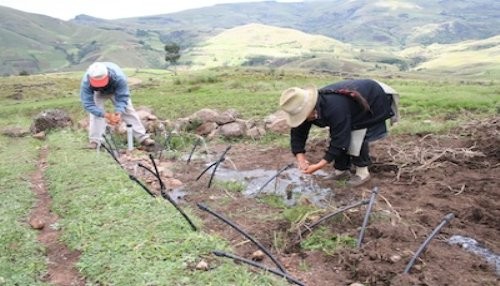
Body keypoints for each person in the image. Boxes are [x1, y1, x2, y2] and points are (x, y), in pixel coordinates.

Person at [279, 79, 399, 187]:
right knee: (341, 133)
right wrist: (300, 158)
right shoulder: (307, 110)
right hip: (350, 104)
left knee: (357, 136)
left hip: (373, 98)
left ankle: (362, 173)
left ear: (310, 108)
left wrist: (319, 165)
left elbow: (340, 140)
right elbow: (298, 133)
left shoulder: (334, 107)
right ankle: (341, 171)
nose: (302, 118)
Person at [80, 62, 155, 149]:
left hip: (115, 90)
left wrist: (118, 112)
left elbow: (123, 97)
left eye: (102, 82)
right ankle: (95, 141)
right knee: (95, 114)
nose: (100, 85)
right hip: (97, 93)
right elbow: (88, 104)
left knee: (128, 110)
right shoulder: (86, 82)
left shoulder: (119, 78)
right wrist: (105, 115)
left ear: (108, 76)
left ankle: (143, 138)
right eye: (97, 82)